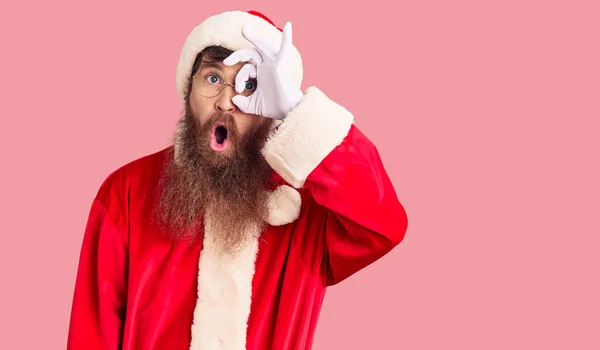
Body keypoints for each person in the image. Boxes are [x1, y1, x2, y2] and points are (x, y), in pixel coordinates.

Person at [67, 9, 409, 350]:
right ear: (188, 91)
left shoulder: (311, 203)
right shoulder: (126, 192)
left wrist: (296, 110)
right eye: (213, 78)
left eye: (250, 85)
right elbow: (90, 335)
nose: (227, 102)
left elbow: (382, 224)